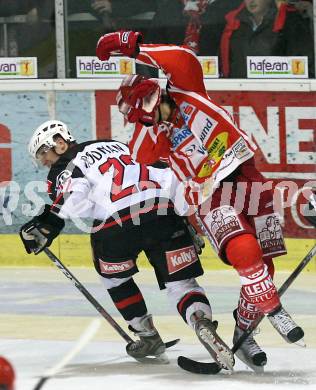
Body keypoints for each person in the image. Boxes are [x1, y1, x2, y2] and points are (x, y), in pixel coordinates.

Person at [95, 30, 305, 372]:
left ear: (158, 94)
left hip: (245, 174)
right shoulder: (150, 136)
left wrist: (132, 47)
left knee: (264, 264)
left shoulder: (187, 89)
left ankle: (245, 328)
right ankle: (272, 306)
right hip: (209, 194)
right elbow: (141, 164)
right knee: (244, 249)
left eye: (150, 111)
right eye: (144, 117)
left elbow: (184, 59)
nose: (153, 120)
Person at [19, 120, 234, 370]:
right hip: (162, 213)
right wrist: (183, 218)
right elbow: (163, 171)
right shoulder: (116, 145)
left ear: (59, 142)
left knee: (115, 279)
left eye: (43, 153)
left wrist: (49, 223)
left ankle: (147, 335)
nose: (44, 161)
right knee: (181, 284)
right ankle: (200, 321)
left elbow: (76, 199)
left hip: (115, 227)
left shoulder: (63, 166)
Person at [219, 0, 315, 78]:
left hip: (277, 93)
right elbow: (224, 61)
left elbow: (303, 64)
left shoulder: (290, 21)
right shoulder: (233, 23)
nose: (251, 1)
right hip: (237, 92)